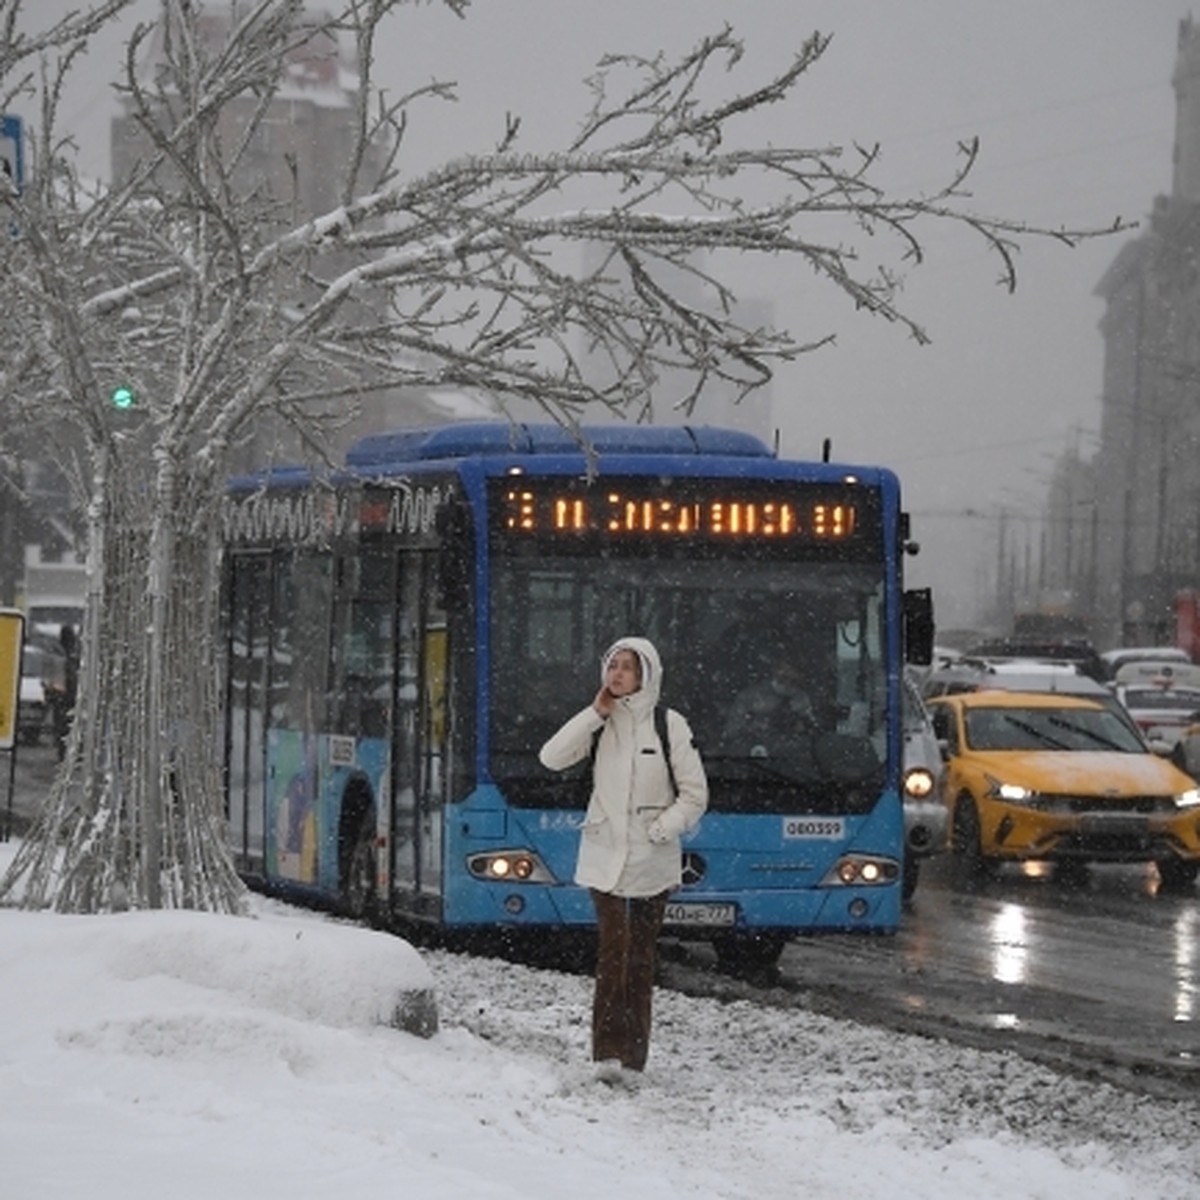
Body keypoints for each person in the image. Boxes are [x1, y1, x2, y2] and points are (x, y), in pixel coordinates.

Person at [539, 636, 707, 1078]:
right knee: (613, 951)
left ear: (646, 674)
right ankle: (606, 1054)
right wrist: (595, 712)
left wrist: (661, 829)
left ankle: (635, 1056)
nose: (617, 674)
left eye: (628, 667)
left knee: (641, 958)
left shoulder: (669, 725)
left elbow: (695, 795)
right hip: (604, 857)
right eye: (612, 665)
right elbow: (551, 757)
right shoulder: (600, 722)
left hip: (654, 860)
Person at [721, 657, 814, 751]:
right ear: (774, 669)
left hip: (789, 757)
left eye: (792, 669)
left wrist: (797, 728)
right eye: (783, 668)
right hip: (750, 757)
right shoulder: (750, 696)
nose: (787, 673)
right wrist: (753, 728)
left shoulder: (801, 699)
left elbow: (810, 735)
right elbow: (731, 732)